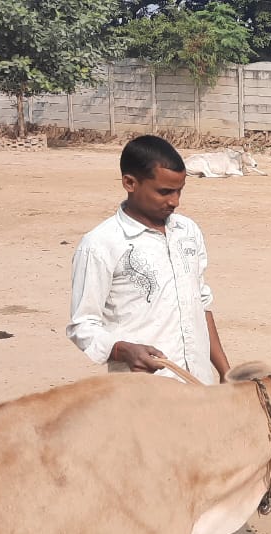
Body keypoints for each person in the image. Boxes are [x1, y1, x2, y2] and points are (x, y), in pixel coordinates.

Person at [67, 135, 229, 385]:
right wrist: (124, 350)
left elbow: (201, 304)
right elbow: (83, 325)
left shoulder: (187, 232)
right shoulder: (100, 244)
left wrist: (225, 372)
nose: (175, 201)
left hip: (200, 387)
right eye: (164, 192)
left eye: (179, 191)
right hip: (144, 394)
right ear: (130, 183)